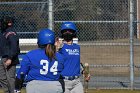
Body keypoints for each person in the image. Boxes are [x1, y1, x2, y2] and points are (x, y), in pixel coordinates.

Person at [14, 28, 65, 93]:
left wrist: (17, 89)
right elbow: (60, 75)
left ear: (39, 41)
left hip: (35, 87)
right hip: (55, 87)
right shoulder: (60, 57)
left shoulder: (31, 55)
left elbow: (21, 74)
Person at [55, 22, 90, 93]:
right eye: (65, 31)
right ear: (62, 33)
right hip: (63, 81)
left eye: (70, 31)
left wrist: (84, 72)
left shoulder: (77, 47)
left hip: (76, 82)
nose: (67, 33)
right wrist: (56, 49)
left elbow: (77, 62)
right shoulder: (60, 47)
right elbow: (54, 60)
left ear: (74, 33)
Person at [0, 16, 20, 93]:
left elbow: (14, 46)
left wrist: (10, 58)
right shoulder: (4, 32)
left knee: (10, 78)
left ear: (9, 23)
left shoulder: (11, 33)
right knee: (2, 77)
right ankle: (7, 91)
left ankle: (12, 91)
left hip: (10, 58)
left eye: (3, 22)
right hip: (4, 57)